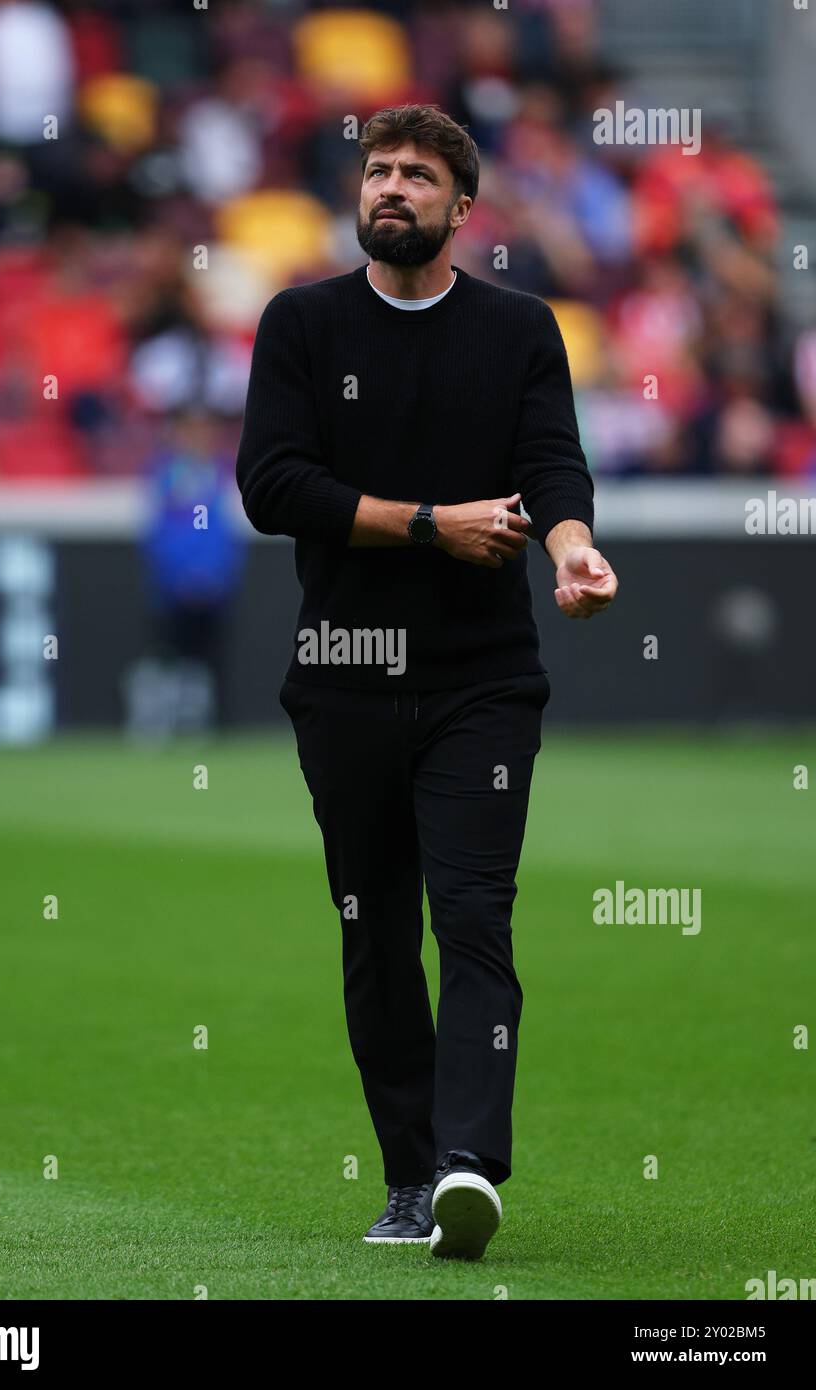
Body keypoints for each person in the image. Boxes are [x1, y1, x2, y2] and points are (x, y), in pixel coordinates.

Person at [236, 103, 618, 1260]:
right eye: (377, 170)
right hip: (345, 676)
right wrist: (425, 524)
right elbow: (272, 485)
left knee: (472, 917)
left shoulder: (517, 330)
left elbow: (551, 464)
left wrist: (571, 550)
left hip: (480, 680)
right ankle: (406, 1176)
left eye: (417, 174)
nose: (390, 187)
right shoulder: (300, 324)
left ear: (462, 207)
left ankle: (464, 1167)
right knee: (375, 933)